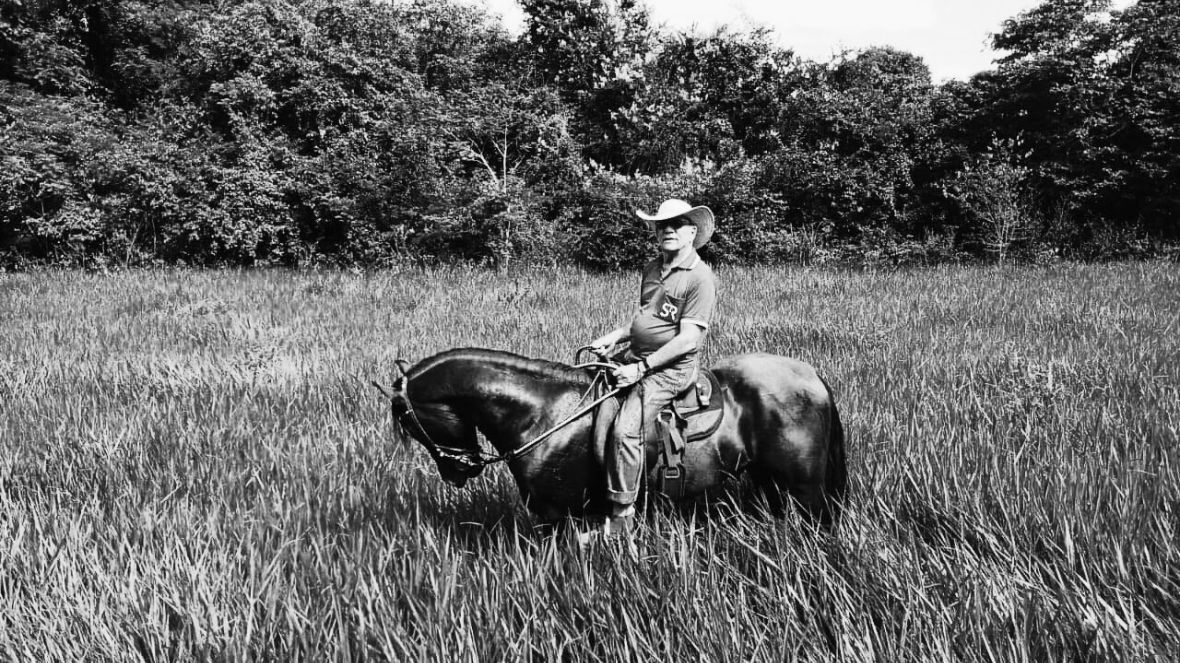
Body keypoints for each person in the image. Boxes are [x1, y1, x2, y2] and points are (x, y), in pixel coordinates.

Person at [587, 198, 718, 536]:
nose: (668, 230)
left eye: (676, 225)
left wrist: (640, 368)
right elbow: (645, 321)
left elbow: (688, 339)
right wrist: (614, 339)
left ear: (692, 232)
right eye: (662, 225)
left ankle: (621, 518)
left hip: (670, 369)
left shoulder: (700, 277)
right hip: (635, 355)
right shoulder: (652, 269)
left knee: (625, 429)